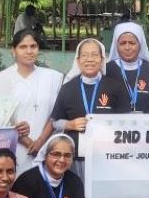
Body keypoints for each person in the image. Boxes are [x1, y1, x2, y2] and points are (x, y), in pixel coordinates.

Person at [48, 38, 130, 179]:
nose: (89, 59)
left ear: (102, 60)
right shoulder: (67, 88)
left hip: (107, 155)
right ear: (78, 60)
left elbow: (127, 120)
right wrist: (70, 124)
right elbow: (55, 122)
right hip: (75, 157)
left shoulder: (115, 87)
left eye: (94, 55)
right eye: (85, 55)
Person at [0, 30, 64, 173]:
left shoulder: (52, 77)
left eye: (33, 46)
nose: (29, 51)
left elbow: (56, 113)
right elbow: (1, 116)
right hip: (14, 147)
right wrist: (28, 142)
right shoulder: (5, 77)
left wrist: (40, 142)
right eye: (23, 47)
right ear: (13, 51)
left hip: (46, 148)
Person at [105, 21, 149, 113]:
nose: (127, 47)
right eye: (122, 43)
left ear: (140, 44)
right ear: (116, 45)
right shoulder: (107, 70)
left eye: (132, 43)